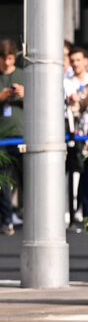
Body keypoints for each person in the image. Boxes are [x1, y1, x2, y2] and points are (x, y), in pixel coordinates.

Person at [63, 47, 88, 229]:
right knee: (72, 174)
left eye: (79, 60)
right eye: (73, 60)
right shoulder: (66, 82)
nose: (76, 64)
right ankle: (71, 211)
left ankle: (87, 213)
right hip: (72, 133)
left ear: (85, 60)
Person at [0, 39, 24, 236]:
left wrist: (25, 94)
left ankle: (31, 217)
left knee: (28, 180)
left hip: (22, 136)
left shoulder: (24, 75)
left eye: (9, 58)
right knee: (4, 182)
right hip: (2, 138)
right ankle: (6, 220)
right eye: (3, 58)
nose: (7, 63)